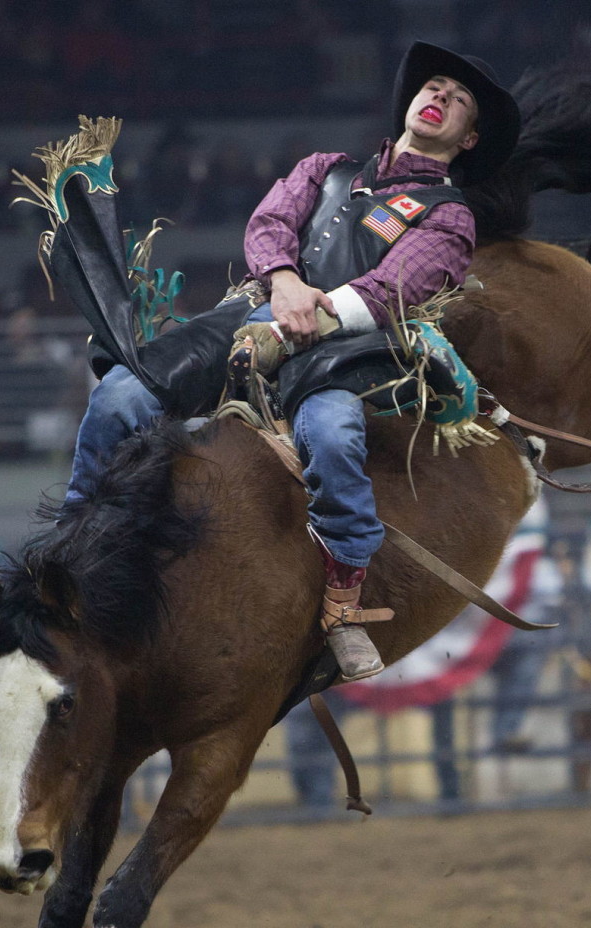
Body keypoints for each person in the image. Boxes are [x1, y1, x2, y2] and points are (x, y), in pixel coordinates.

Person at [50, 42, 520, 681]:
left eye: (459, 100)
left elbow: (393, 289)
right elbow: (270, 224)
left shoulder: (449, 215)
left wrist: (305, 318)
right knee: (122, 395)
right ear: (411, 101)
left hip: (343, 352)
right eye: (434, 87)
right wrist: (284, 282)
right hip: (252, 313)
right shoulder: (326, 169)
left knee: (333, 435)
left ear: (467, 138)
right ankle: (70, 549)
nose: (440, 98)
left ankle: (343, 603)